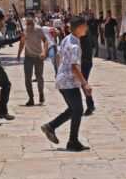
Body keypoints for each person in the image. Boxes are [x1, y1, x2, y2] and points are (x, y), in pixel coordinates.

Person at [41, 16, 92, 151]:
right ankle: (72, 141)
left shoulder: (66, 39)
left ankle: (50, 126)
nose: (86, 29)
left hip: (62, 80)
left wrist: (60, 72)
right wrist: (85, 84)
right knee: (78, 110)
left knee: (73, 109)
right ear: (80, 27)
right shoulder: (75, 45)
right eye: (85, 27)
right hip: (69, 82)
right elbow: (75, 67)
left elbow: (58, 56)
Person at [17, 12, 48, 106]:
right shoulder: (24, 30)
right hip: (28, 56)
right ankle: (31, 98)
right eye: (27, 22)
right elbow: (22, 43)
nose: (28, 23)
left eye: (30, 22)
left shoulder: (38, 29)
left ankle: (41, 93)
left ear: (33, 21)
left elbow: (45, 41)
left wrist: (44, 52)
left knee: (39, 77)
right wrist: (18, 55)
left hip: (38, 56)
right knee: (27, 78)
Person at [80, 28, 96, 116]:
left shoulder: (85, 32)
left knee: (83, 83)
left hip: (85, 62)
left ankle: (90, 105)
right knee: (82, 83)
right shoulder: (85, 32)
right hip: (85, 61)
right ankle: (90, 104)